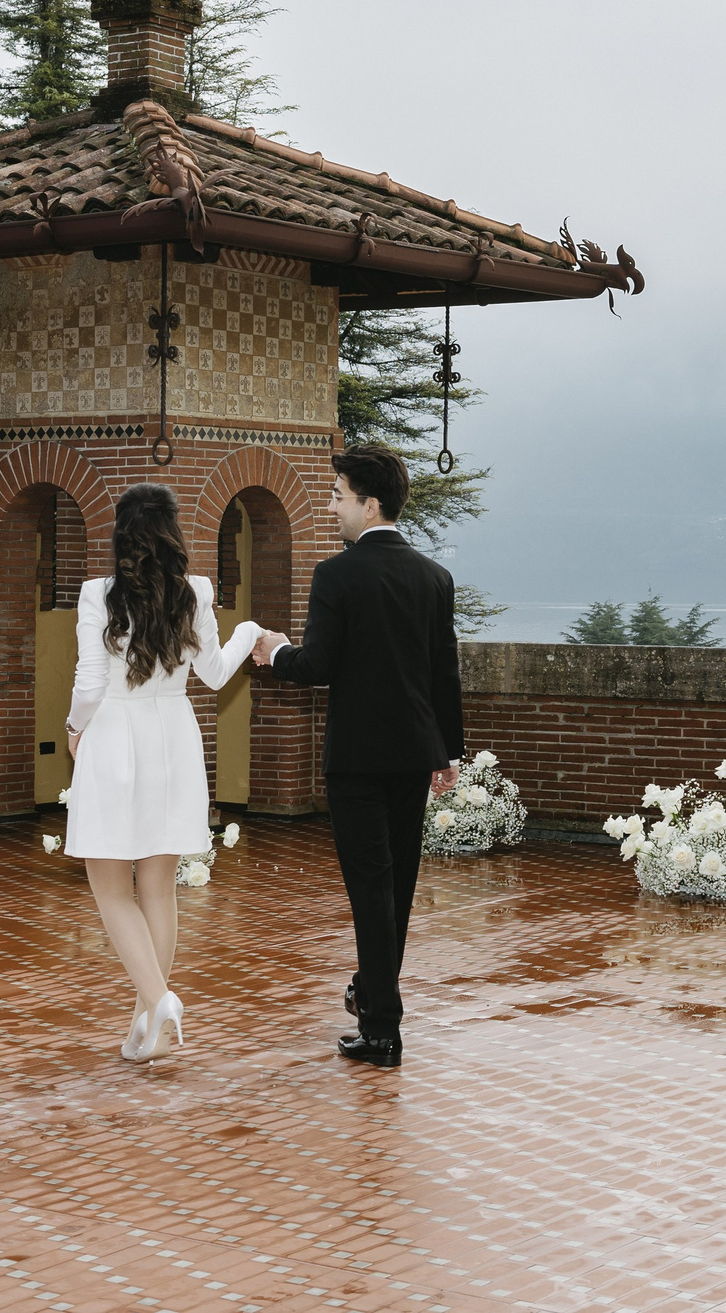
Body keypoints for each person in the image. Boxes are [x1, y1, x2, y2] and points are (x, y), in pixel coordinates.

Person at [254, 445, 464, 1069]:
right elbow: (443, 675)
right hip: (414, 755)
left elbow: (318, 664)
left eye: (338, 496)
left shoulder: (336, 575)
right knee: (396, 886)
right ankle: (371, 994)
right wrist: (448, 752)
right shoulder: (435, 578)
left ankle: (382, 1029)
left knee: (371, 889)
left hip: (357, 761)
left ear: (369, 505)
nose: (332, 507)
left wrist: (275, 652)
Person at [64, 483, 265, 1062]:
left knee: (111, 889)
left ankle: (158, 1001)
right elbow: (216, 674)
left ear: (121, 534)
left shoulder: (97, 595)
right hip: (173, 738)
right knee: (157, 887)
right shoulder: (194, 591)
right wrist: (250, 631)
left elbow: (89, 685)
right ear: (173, 533)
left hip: (114, 734)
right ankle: (148, 1022)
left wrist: (74, 729)